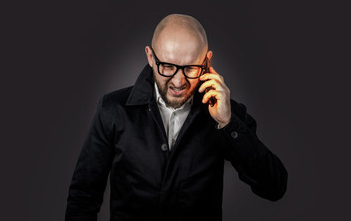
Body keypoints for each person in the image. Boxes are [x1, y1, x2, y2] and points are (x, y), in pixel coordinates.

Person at [65, 14, 287, 221]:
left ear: (207, 61)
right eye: (168, 67)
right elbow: (83, 196)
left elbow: (274, 187)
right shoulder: (113, 109)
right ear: (151, 57)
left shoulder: (226, 113)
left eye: (191, 68)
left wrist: (228, 124)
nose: (178, 82)